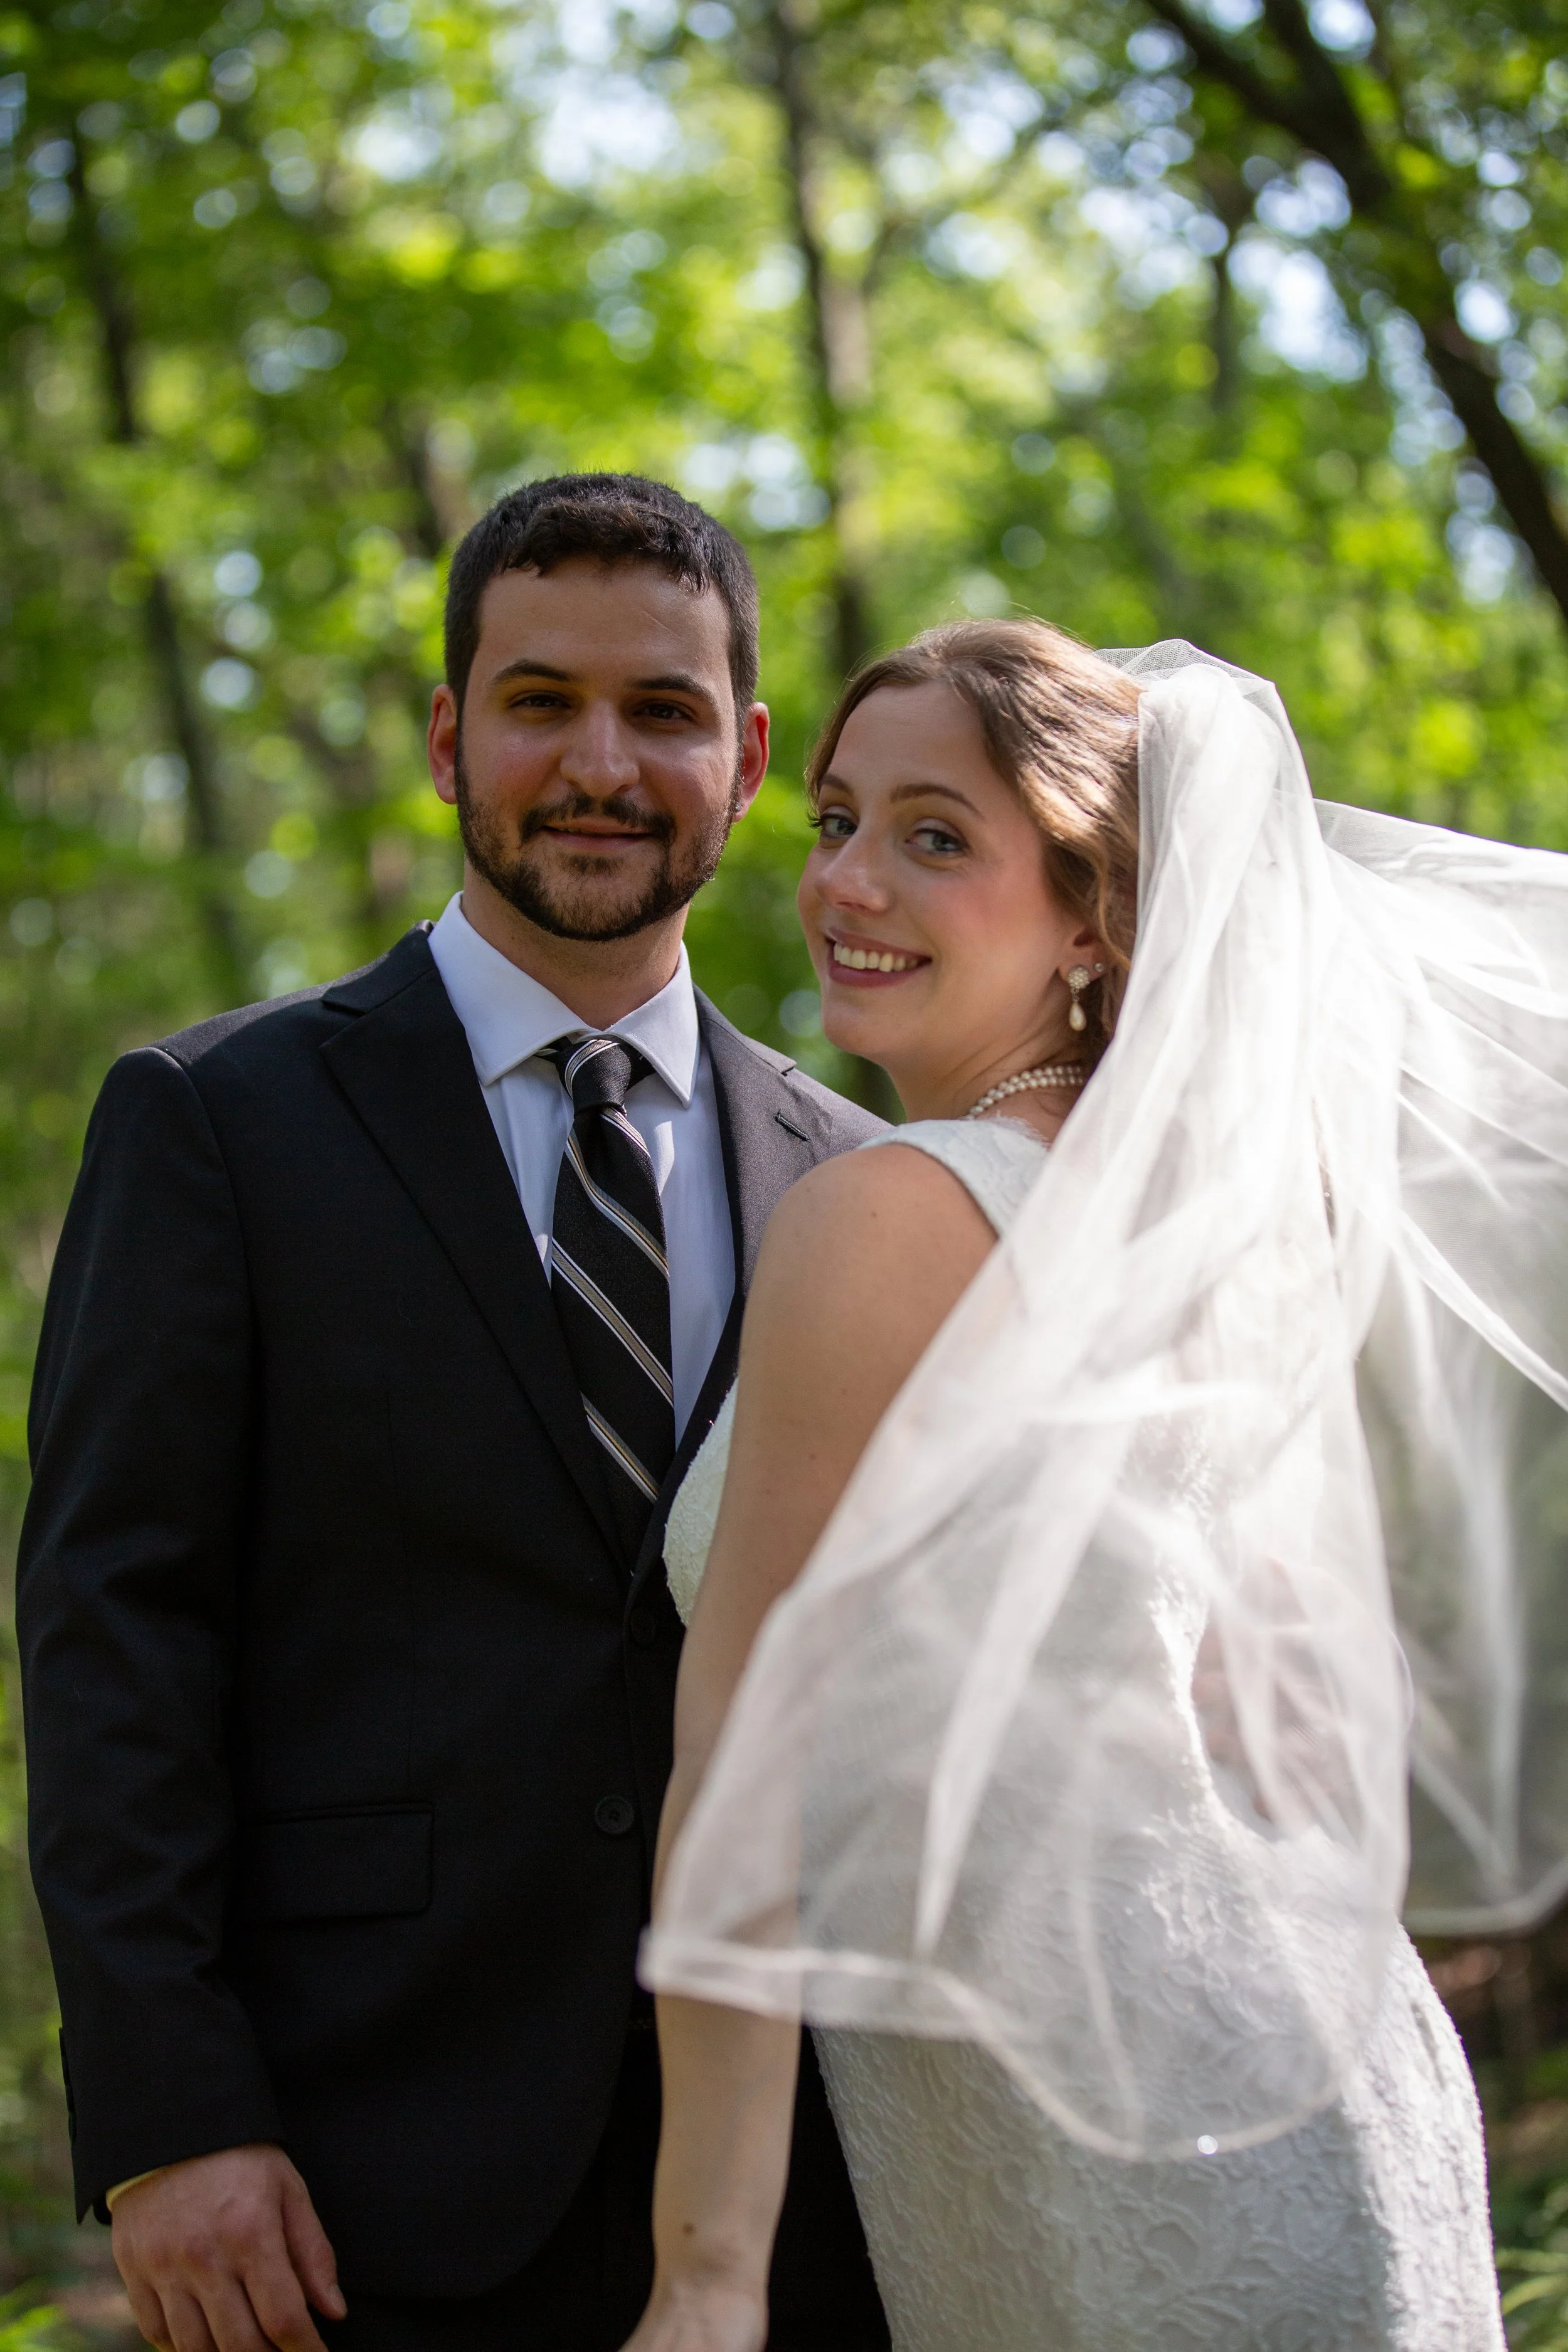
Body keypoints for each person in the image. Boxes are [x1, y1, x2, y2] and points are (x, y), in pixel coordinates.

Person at [16, 474, 890, 2352]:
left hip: (798, 2185)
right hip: (344, 2173)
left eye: (659, 710)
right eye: (536, 700)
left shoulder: (861, 1176)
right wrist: (174, 2116)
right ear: (445, 737)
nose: (598, 761)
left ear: (738, 759)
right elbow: (113, 1635)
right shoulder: (216, 1122)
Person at [621, 622, 1567, 2350]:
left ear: (1094, 919)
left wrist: (705, 2272)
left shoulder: (884, 1211)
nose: (847, 880)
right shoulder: (1212, 1226)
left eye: (935, 835)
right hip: (1318, 2067)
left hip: (1089, 2141)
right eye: (836, 817)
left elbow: (743, 1764)